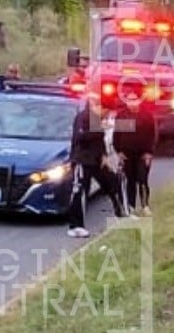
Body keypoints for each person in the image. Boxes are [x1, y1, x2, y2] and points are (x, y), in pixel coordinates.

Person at [65, 98, 129, 238]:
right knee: (80, 191)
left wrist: (104, 156)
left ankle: (122, 213)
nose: (106, 115)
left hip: (97, 159)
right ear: (100, 107)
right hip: (82, 160)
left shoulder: (98, 119)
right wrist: (100, 128)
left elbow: (100, 141)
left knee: (113, 182)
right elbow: (81, 137)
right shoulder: (83, 117)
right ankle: (76, 226)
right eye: (106, 112)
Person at [112, 99, 158, 217]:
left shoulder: (146, 116)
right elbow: (117, 135)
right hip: (127, 155)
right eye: (129, 100)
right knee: (130, 181)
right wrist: (119, 151)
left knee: (142, 179)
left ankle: (145, 205)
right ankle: (131, 206)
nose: (132, 103)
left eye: (134, 100)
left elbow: (152, 135)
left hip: (143, 154)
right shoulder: (122, 116)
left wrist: (149, 152)